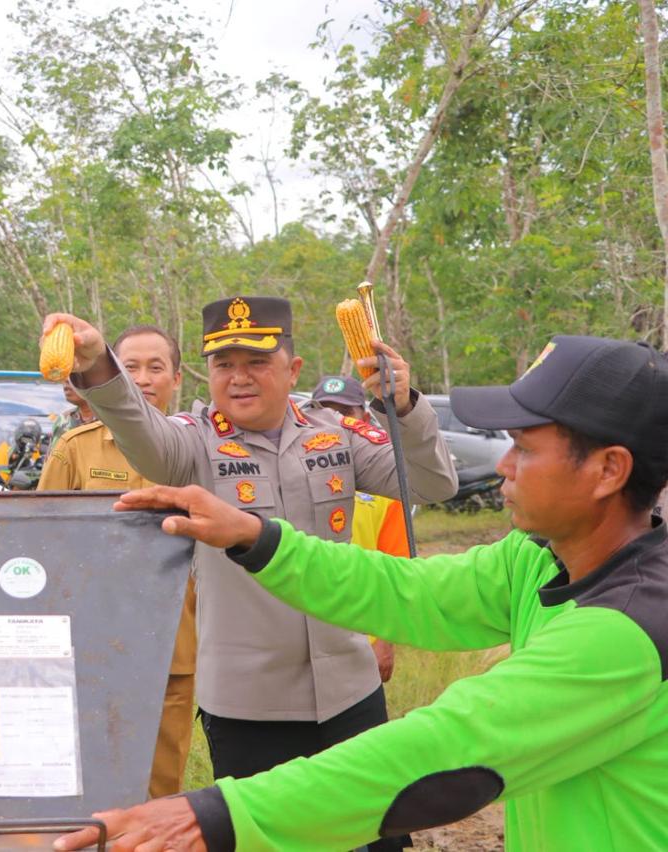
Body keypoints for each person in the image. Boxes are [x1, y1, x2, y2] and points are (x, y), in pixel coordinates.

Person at [55, 335, 668, 852]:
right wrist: (253, 537)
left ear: (609, 471)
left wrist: (211, 816)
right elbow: (406, 590)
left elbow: (445, 750)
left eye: (526, 448)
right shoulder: (538, 558)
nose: (504, 466)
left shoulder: (625, 628)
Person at [44, 299, 456, 801]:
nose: (239, 378)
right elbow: (142, 433)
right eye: (223, 365)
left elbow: (435, 484)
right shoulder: (191, 443)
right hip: (248, 705)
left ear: (293, 369)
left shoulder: (336, 436)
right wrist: (99, 364)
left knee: (369, 832)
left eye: (256, 362)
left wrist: (407, 405)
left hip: (349, 688)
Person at [39, 325, 198, 799]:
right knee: (90, 777)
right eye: (130, 367)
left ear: (177, 379)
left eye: (156, 368)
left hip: (175, 640)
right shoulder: (75, 449)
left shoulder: (200, 449)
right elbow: (43, 543)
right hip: (92, 639)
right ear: (109, 374)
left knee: (161, 783)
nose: (144, 379)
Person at [312, 373, 411, 682]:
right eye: (325, 410)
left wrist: (385, 642)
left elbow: (396, 569)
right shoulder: (295, 475)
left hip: (362, 637)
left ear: (365, 418)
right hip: (307, 637)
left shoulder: (387, 486)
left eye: (344, 412)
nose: (334, 420)